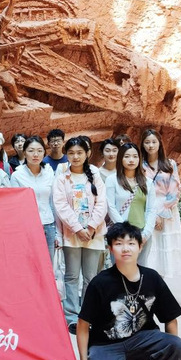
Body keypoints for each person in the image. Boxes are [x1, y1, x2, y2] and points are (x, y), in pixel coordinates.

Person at [76, 222, 181, 360]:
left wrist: (175, 359)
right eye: (119, 243)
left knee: (176, 344)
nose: (125, 248)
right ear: (110, 249)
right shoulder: (100, 282)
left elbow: (170, 319)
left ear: (140, 247)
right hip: (105, 344)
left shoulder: (152, 278)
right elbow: (83, 325)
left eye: (131, 243)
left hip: (142, 338)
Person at [53, 136, 107, 333]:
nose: (75, 157)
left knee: (91, 277)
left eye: (79, 153)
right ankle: (72, 317)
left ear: (87, 154)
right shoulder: (61, 178)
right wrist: (77, 228)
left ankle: (88, 315)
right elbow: (60, 205)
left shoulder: (95, 174)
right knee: (71, 276)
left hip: (94, 234)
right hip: (71, 234)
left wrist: (91, 227)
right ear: (66, 155)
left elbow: (102, 203)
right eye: (71, 153)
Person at [141, 129, 181, 277]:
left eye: (154, 142)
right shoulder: (140, 166)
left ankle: (160, 284)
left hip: (167, 209)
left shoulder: (169, 164)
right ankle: (149, 283)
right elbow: (140, 191)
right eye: (147, 142)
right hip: (147, 209)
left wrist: (161, 213)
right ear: (142, 144)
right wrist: (153, 215)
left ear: (160, 144)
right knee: (150, 249)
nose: (150, 145)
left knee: (164, 248)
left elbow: (175, 191)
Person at [106, 143, 156, 258]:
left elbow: (151, 209)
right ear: (120, 158)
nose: (131, 160)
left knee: (140, 267)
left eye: (135, 156)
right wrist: (125, 230)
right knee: (119, 267)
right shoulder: (112, 180)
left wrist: (145, 234)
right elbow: (110, 206)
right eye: (127, 156)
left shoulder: (147, 182)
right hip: (119, 233)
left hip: (142, 232)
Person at [10, 135, 57, 260]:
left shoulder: (49, 172)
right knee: (28, 263)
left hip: (48, 224)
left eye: (39, 151)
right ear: (24, 153)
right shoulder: (17, 175)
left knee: (48, 263)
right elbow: (15, 206)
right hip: (26, 227)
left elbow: (53, 202)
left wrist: (58, 232)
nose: (35, 155)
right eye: (31, 151)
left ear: (44, 153)